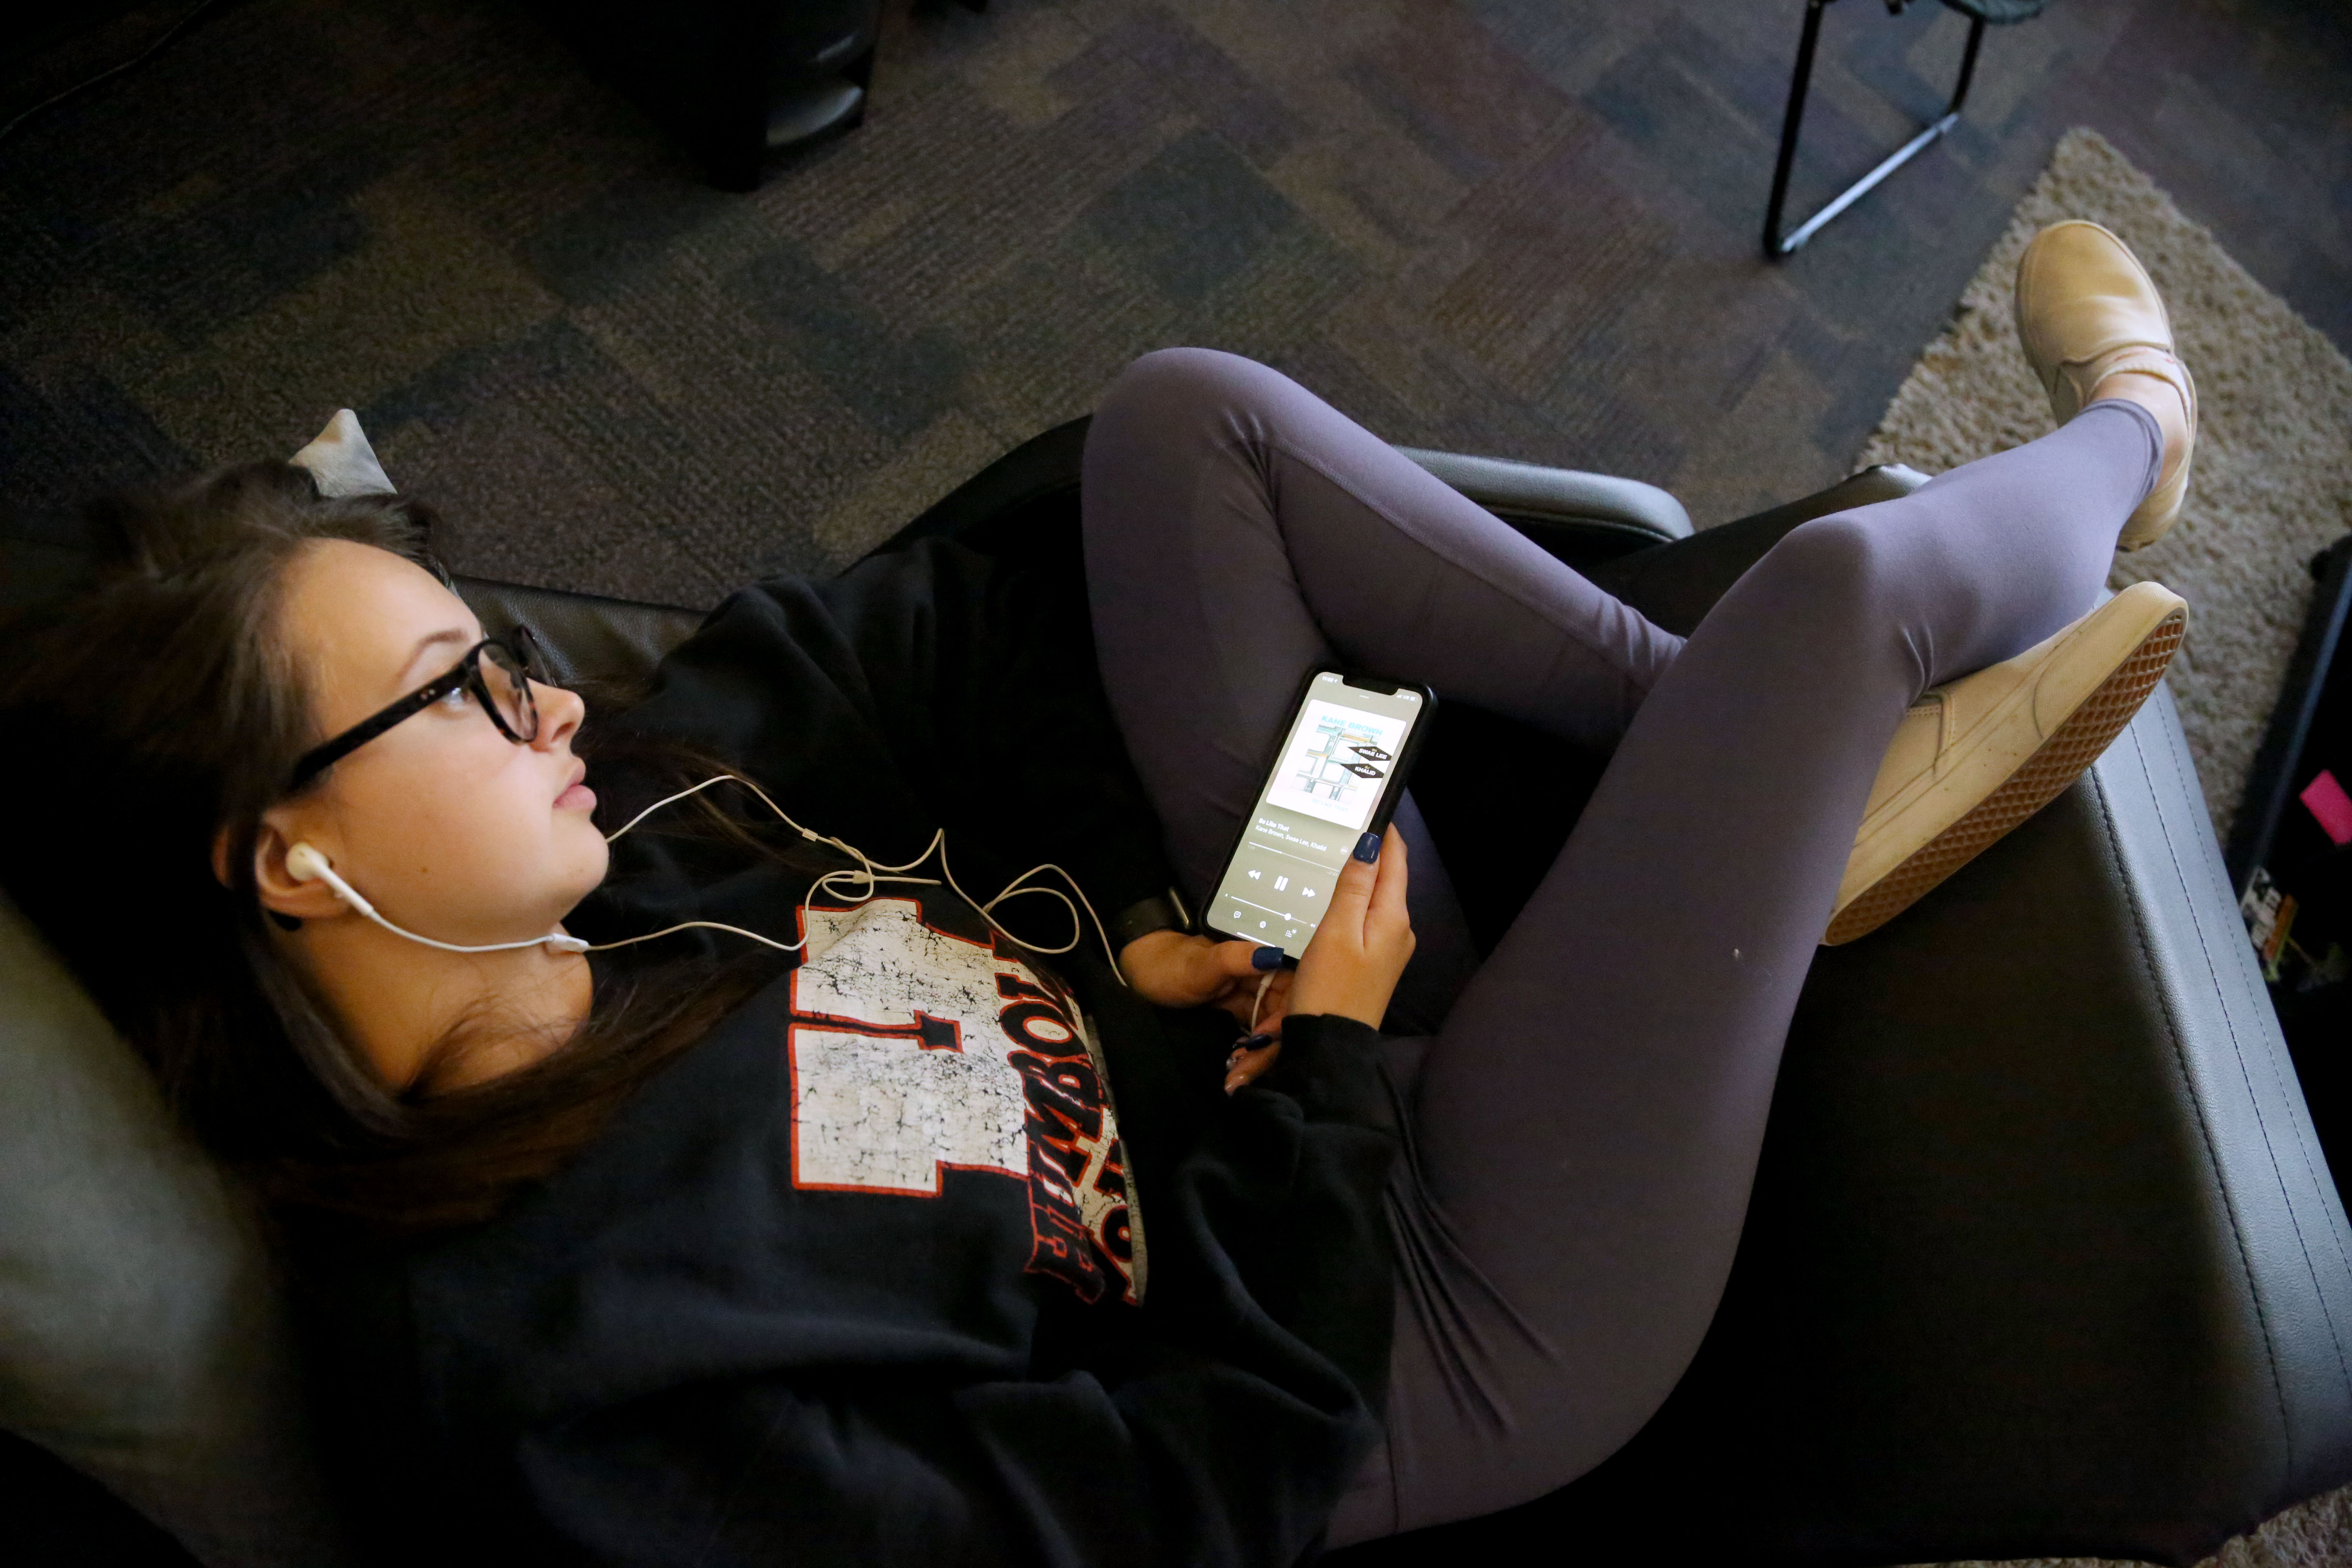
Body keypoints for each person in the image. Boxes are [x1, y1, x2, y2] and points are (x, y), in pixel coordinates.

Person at [0, 222, 2196, 1564]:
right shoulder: (553, 1391)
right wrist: (1327, 1077)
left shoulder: (613, 902)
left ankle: (1744, 788)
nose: (554, 702)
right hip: (1412, 1308)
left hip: (1256, 1050)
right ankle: (2134, 443)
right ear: (286, 855)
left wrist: (1162, 978)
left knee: (1185, 429)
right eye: (465, 690)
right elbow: (1180, 1497)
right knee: (1833, 601)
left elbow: (932, 1108)